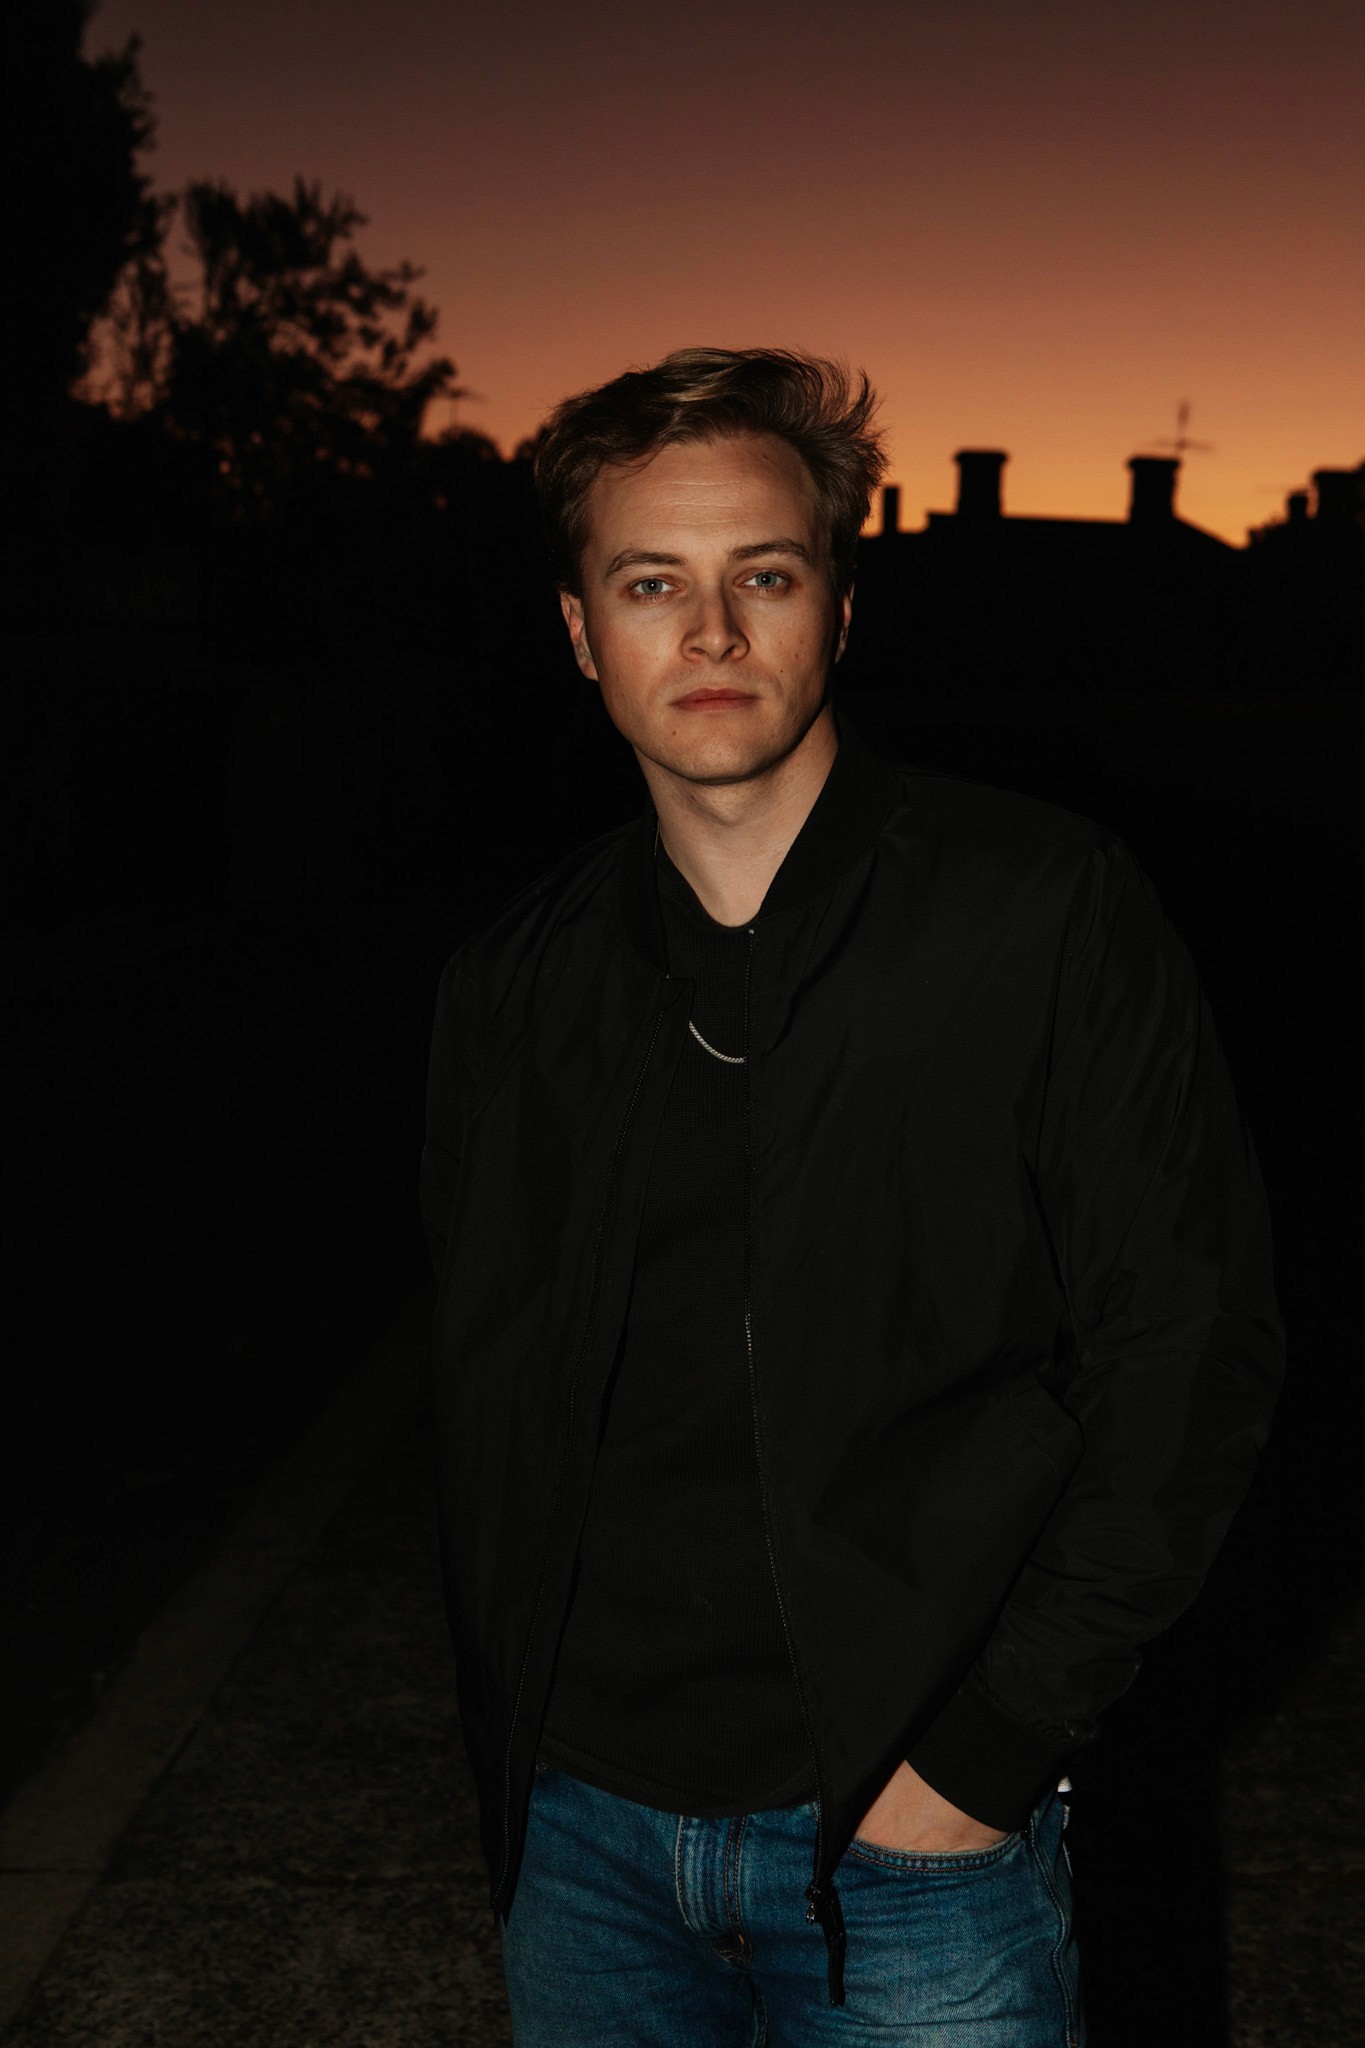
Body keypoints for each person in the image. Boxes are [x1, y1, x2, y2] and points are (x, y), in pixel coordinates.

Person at [420, 347, 1283, 2046]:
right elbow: (485, 1389)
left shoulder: (1038, 911)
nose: (710, 632)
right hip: (581, 1830)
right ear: (581, 633)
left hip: (914, 1844)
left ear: (837, 607)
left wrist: (984, 1750)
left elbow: (1192, 1353)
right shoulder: (512, 983)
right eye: (650, 584)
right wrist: (515, 1747)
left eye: (763, 574)